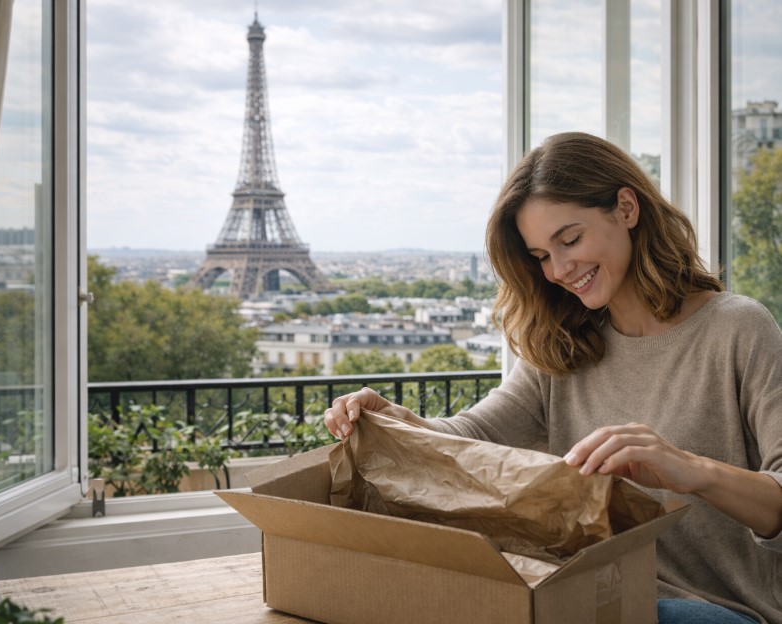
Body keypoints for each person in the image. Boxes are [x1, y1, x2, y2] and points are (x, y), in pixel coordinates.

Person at [324, 132, 782, 624]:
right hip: (585, 598)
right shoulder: (565, 342)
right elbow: (473, 435)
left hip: (710, 609)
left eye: (570, 240)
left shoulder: (738, 328)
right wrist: (397, 420)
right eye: (541, 256)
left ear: (626, 208)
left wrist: (691, 469)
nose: (559, 269)